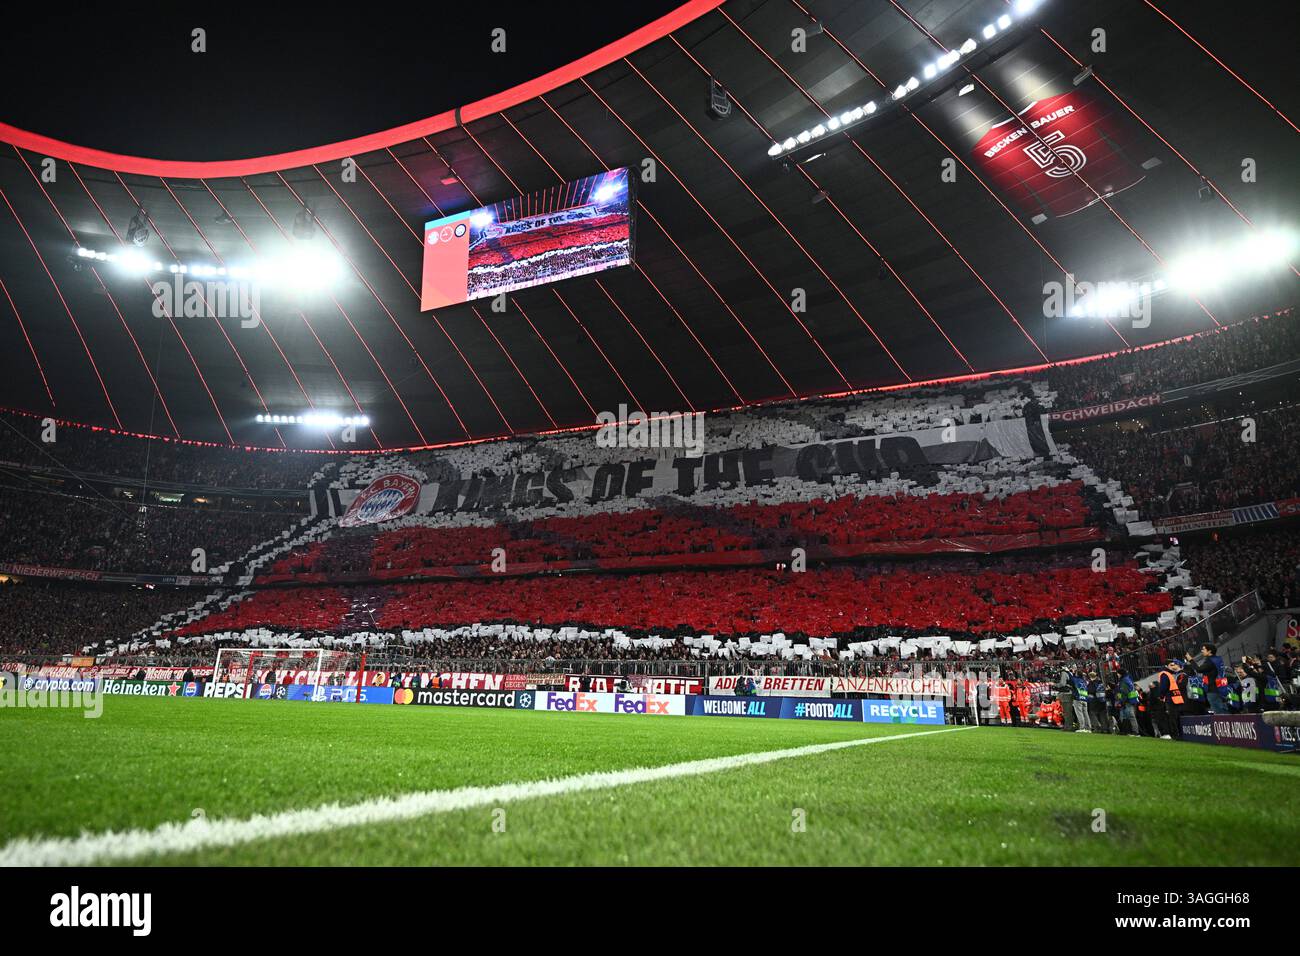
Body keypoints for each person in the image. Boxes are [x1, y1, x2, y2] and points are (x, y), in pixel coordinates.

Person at [1154, 659, 1186, 739]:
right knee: (1174, 718)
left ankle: (1176, 735)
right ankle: (1177, 735)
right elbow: (1164, 687)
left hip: (1173, 698)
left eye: (1173, 665)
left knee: (1173, 718)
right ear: (1166, 666)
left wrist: (1161, 696)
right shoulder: (1166, 674)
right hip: (1174, 698)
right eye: (1171, 665)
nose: (1173, 667)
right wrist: (1162, 696)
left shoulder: (1166, 674)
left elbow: (1164, 687)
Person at [1198, 644, 1230, 713]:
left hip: (1213, 690)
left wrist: (1190, 659)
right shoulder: (1218, 659)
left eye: (1203, 649)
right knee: (1223, 710)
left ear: (1209, 651)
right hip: (1221, 688)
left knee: (1219, 712)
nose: (1202, 651)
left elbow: (1199, 669)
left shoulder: (1210, 661)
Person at [1067, 668, 1091, 733]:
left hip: (1078, 698)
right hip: (1085, 699)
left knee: (1079, 713)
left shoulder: (1076, 680)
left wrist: (1068, 671)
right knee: (1085, 714)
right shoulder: (1084, 681)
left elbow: (1071, 678)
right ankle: (1088, 728)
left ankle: (1082, 727)